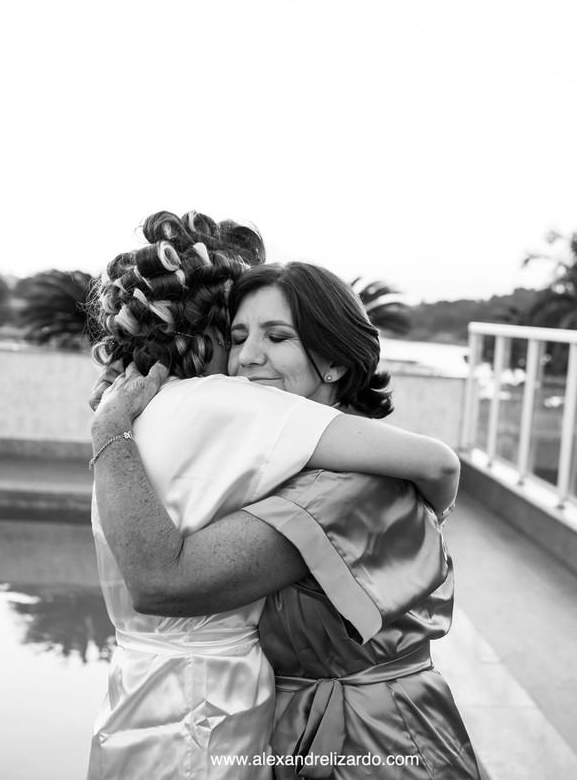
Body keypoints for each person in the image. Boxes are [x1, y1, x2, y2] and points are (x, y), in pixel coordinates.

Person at [86, 213, 462, 779]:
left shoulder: (343, 486)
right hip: (291, 732)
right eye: (237, 338)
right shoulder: (276, 456)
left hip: (372, 747)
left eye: (277, 337)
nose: (248, 359)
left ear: (335, 358)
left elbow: (164, 580)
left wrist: (109, 431)